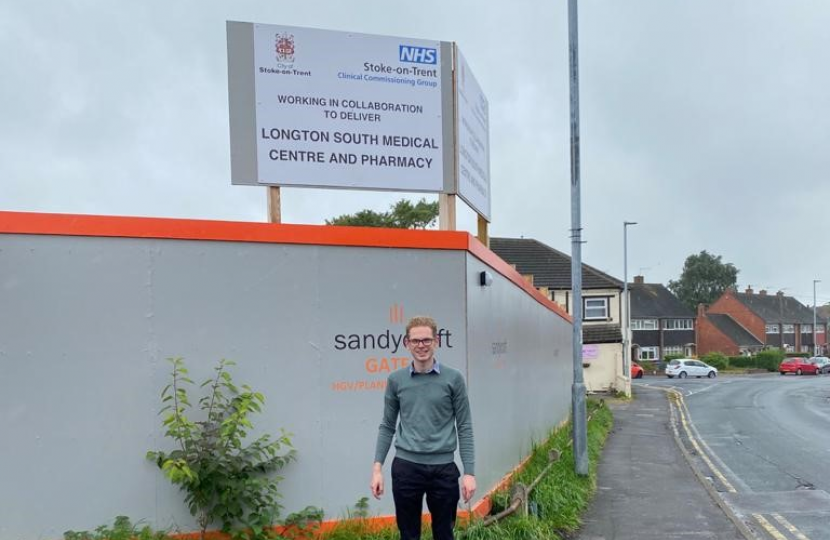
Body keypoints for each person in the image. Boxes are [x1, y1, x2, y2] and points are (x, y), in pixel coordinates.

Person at [370, 316, 475, 540]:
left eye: (426, 340)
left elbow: (464, 426)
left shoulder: (454, 379)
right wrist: (377, 469)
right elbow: (387, 425)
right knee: (408, 535)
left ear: (436, 341)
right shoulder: (396, 380)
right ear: (407, 343)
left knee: (444, 534)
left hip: (444, 469)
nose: (421, 345)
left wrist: (469, 473)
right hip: (406, 469)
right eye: (416, 341)